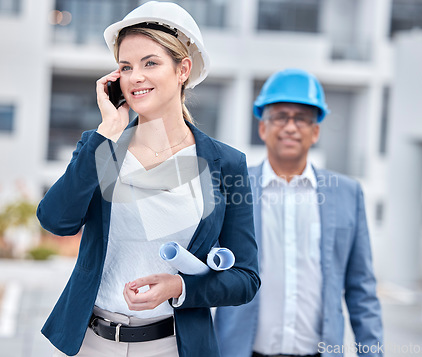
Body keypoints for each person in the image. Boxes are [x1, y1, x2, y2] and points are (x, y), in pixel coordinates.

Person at [37, 2, 260, 356]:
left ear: (183, 69)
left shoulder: (226, 164)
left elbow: (245, 279)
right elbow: (56, 220)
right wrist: (106, 133)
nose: (135, 77)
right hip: (94, 343)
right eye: (125, 67)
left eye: (150, 63)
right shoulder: (103, 148)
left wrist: (179, 286)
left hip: (173, 345)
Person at [215, 68, 384, 357]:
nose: (290, 127)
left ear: (315, 130)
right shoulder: (232, 189)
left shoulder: (347, 194)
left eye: (302, 119)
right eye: (280, 117)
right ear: (262, 128)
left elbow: (362, 290)